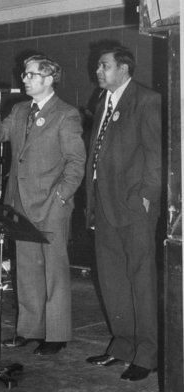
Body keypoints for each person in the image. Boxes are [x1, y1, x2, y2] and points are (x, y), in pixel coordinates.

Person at [0, 54, 86, 355]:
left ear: (49, 78)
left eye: (31, 74)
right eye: (24, 74)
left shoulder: (66, 114)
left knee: (53, 271)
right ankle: (30, 330)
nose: (24, 78)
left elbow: (76, 162)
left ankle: (56, 335)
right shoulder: (18, 109)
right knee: (25, 269)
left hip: (52, 204)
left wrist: (61, 197)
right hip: (19, 202)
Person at [85, 45, 162, 381]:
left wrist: (146, 196)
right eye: (98, 67)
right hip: (104, 204)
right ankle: (122, 346)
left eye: (104, 66)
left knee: (141, 281)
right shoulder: (103, 101)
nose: (98, 72)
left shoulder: (146, 100)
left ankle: (147, 354)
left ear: (124, 68)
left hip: (134, 206)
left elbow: (156, 153)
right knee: (112, 279)